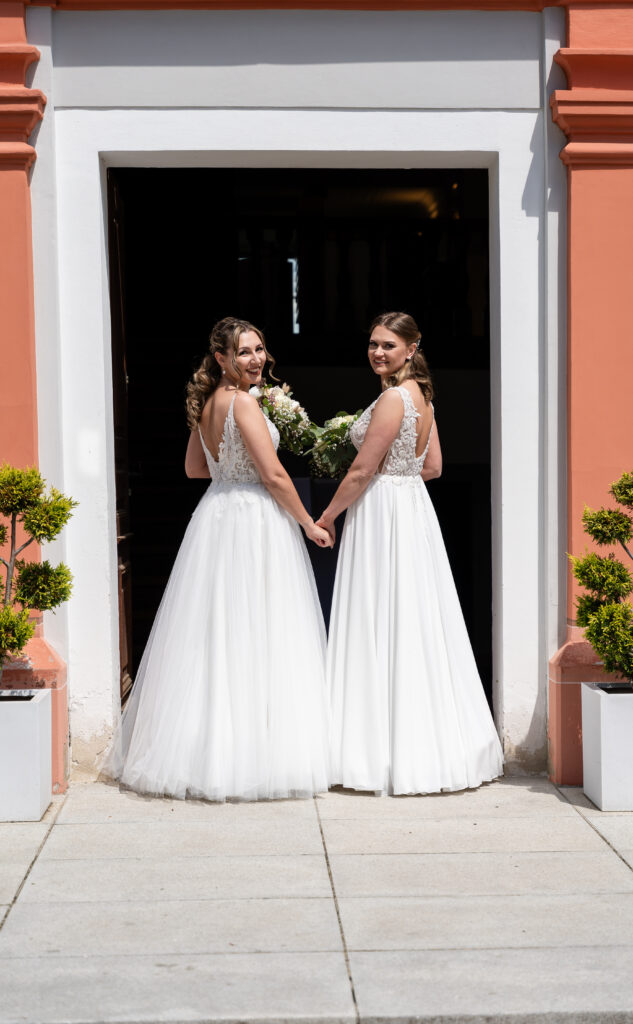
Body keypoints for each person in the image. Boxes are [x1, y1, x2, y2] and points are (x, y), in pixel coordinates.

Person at [103, 317, 332, 801]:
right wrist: (308, 523)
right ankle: (256, 756)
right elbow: (272, 474)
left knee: (216, 635)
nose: (256, 359)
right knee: (259, 631)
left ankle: (208, 753)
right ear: (222, 359)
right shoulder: (243, 402)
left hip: (217, 516)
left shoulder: (210, 404)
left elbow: (193, 468)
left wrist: (229, 470)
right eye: (244, 352)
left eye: (259, 349)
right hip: (253, 518)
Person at [316, 311, 503, 796]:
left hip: (382, 512)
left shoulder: (394, 398)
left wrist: (329, 515)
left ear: (411, 349)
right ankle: (426, 746)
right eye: (374, 344)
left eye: (389, 346)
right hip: (411, 511)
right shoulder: (424, 399)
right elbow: (434, 467)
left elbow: (360, 471)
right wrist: (401, 489)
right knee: (414, 619)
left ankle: (375, 752)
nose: (378, 352)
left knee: (381, 618)